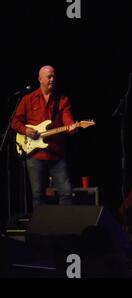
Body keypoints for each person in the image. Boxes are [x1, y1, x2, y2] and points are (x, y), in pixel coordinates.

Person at [11, 65, 78, 208]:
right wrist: (26, 130)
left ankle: (66, 228)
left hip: (56, 153)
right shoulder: (28, 99)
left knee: (66, 193)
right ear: (40, 79)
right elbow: (15, 121)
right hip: (35, 154)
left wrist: (72, 127)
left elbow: (68, 119)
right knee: (37, 195)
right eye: (49, 76)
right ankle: (40, 230)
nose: (52, 79)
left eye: (54, 76)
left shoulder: (62, 100)